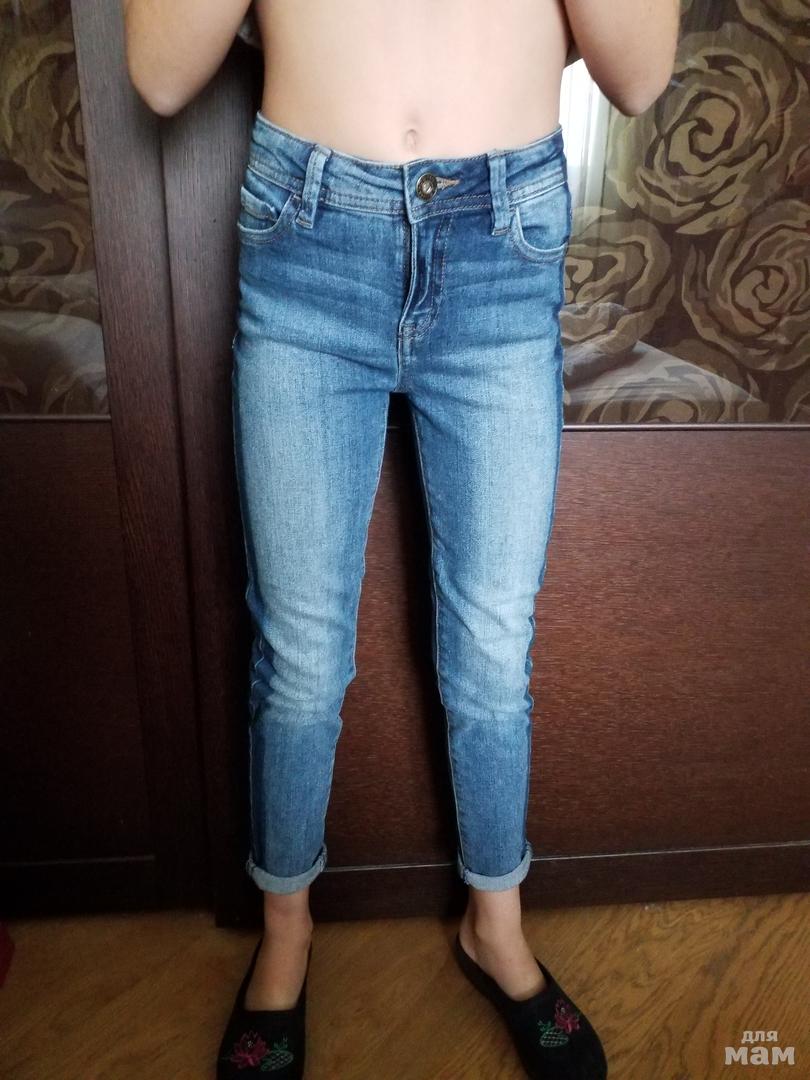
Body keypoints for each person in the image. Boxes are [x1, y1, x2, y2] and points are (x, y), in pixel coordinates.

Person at [123, 2, 680, 1076]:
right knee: (300, 654)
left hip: (500, 243)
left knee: (490, 649)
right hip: (308, 237)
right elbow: (158, 72)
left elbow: (640, 75)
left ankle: (496, 924)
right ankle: (285, 935)